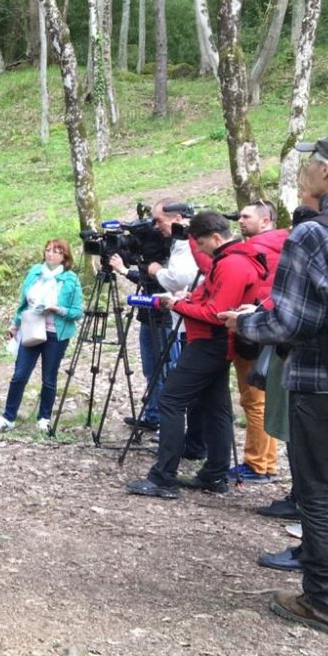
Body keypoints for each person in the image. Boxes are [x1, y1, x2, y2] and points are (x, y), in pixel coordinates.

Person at [227, 131, 328, 634]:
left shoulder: (315, 232)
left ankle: (324, 599)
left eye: (305, 165)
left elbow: (291, 324)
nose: (299, 174)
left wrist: (244, 322)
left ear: (324, 172)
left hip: (319, 385)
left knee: (319, 494)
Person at [126, 212, 265, 499]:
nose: (199, 250)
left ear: (216, 238)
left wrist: (177, 305)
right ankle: (214, 474)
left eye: (200, 243)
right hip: (216, 343)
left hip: (210, 342)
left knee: (171, 400)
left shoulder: (232, 264)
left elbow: (217, 314)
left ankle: (164, 477)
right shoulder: (233, 258)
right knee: (217, 408)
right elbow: (211, 299)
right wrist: (188, 299)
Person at [109, 200, 198, 435]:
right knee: (151, 368)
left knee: (166, 366)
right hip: (148, 313)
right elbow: (153, 276)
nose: (156, 226)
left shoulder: (183, 244)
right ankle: (154, 414)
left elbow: (170, 279)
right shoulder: (170, 242)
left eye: (159, 221)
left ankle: (168, 423)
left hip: (168, 314)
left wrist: (131, 271)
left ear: (177, 218)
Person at [0, 239, 84, 433]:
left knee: (49, 378)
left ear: (64, 257)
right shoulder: (35, 272)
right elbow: (24, 304)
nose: (50, 254)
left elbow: (77, 312)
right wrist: (15, 324)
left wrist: (57, 309)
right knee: (19, 375)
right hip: (31, 330)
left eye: (56, 252)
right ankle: (8, 417)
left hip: (56, 334)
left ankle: (44, 418)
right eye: (47, 250)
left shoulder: (71, 279)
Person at [229, 199, 287, 483]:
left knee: (254, 399)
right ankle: (267, 461)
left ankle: (256, 464)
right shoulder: (286, 246)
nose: (240, 221)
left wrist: (193, 238)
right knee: (265, 397)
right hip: (273, 329)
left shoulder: (252, 250)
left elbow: (218, 269)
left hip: (252, 329)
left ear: (265, 221)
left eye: (246, 216)